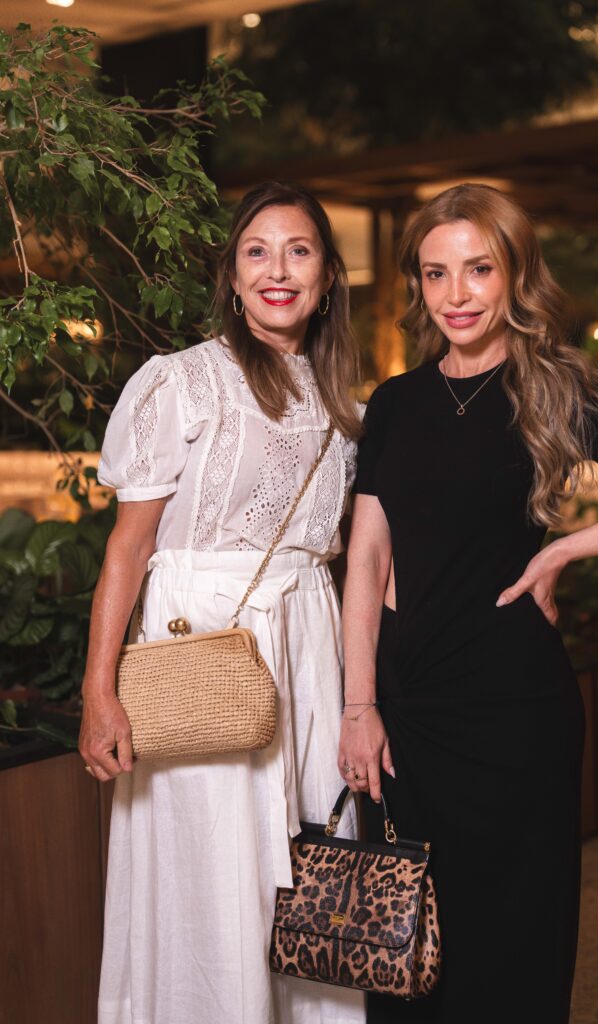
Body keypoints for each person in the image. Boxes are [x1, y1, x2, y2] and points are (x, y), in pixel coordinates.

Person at [338, 183, 598, 1024]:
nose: (455, 294)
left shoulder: (559, 388)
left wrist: (567, 547)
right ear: (417, 284)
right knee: (403, 949)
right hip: (409, 709)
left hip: (515, 709)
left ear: (514, 275)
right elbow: (367, 558)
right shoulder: (396, 402)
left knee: (513, 945)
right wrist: (358, 706)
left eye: (478, 269)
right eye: (435, 273)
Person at [80, 181, 366, 1024]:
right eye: (257, 252)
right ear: (233, 277)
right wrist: (99, 692)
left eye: (299, 251)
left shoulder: (345, 402)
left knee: (312, 862)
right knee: (209, 873)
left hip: (308, 648)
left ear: (327, 276)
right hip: (201, 651)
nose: (278, 270)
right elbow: (128, 548)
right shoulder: (182, 383)